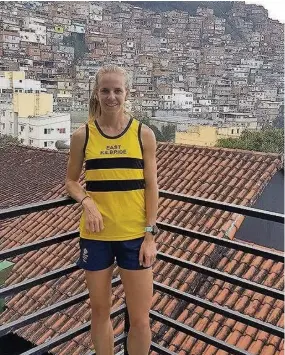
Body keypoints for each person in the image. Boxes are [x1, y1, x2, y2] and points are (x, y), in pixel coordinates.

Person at [65, 65, 159, 355]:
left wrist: (149, 235)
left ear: (126, 93)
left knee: (141, 319)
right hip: (96, 236)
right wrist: (87, 201)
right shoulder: (84, 135)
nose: (111, 96)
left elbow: (152, 187)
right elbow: (70, 181)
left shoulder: (144, 134)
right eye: (105, 90)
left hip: (134, 236)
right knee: (99, 312)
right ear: (97, 92)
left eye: (117, 90)